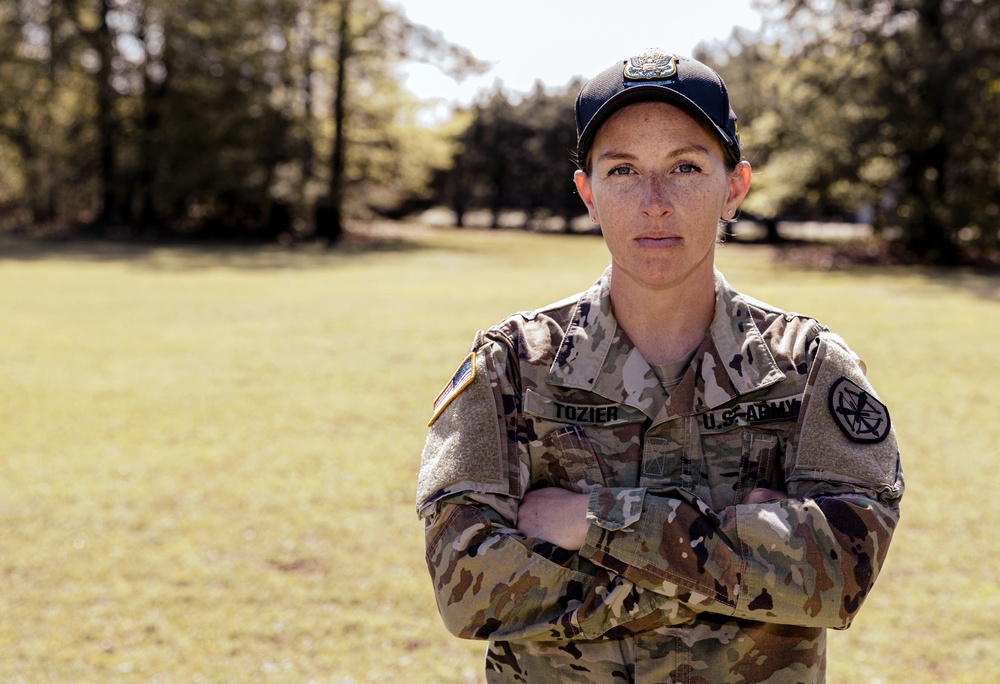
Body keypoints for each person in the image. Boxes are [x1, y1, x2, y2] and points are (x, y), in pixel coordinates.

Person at [416, 50, 904, 683]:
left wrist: (589, 521)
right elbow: (467, 589)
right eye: (622, 170)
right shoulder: (511, 367)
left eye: (685, 166)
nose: (653, 201)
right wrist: (744, 565)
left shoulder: (807, 369)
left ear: (734, 187)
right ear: (588, 194)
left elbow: (839, 574)